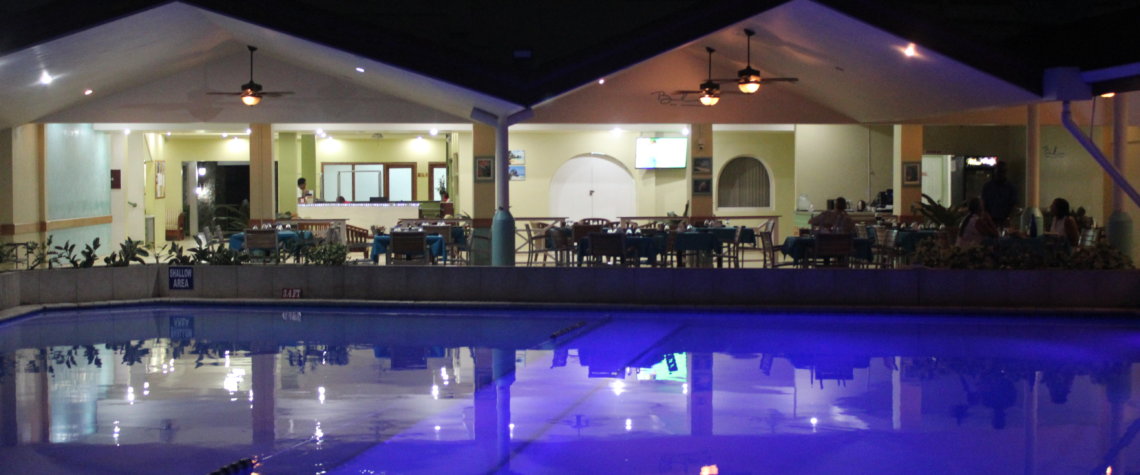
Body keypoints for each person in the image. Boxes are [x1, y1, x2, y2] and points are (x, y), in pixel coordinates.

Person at [981, 162, 1017, 228]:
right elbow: (983, 204)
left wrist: (1008, 218)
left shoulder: (1011, 188)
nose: (1001, 174)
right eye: (999, 172)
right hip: (990, 220)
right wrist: (987, 218)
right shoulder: (987, 187)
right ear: (995, 172)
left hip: (1005, 221)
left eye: (1003, 172)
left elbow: (1013, 205)